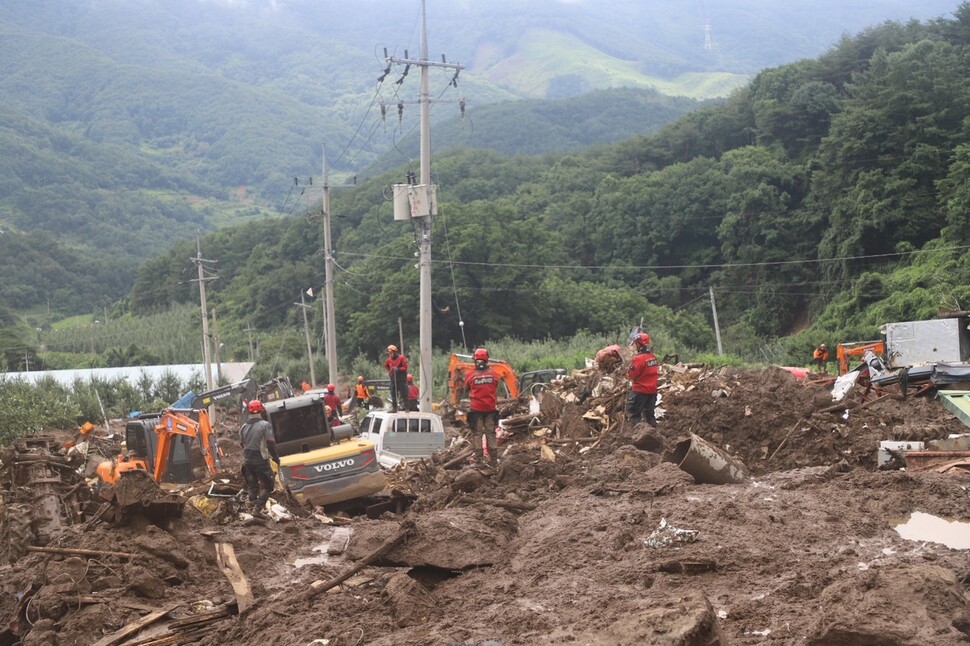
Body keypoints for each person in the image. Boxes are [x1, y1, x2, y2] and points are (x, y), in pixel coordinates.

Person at [239, 400, 280, 516]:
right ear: (261, 410)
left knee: (252, 484)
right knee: (268, 486)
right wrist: (276, 458)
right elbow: (271, 443)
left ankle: (251, 504)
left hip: (247, 461)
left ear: (249, 411)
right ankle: (257, 509)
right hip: (261, 460)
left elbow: (242, 444)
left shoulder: (243, 427)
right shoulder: (265, 425)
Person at [463, 347, 500, 466]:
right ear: (487, 360)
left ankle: (479, 460)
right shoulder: (494, 373)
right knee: (491, 433)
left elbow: (465, 388)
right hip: (490, 410)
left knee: (477, 434)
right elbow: (496, 385)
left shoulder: (470, 374)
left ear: (475, 360)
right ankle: (494, 460)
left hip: (476, 410)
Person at [626, 332, 659, 427]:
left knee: (634, 414)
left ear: (638, 344)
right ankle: (654, 435)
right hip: (652, 391)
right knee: (650, 415)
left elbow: (631, 375)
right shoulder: (652, 357)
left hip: (640, 391)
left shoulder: (639, 359)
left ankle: (637, 436)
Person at [384, 344, 409, 413]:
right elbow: (385, 365)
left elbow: (405, 367)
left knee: (404, 394)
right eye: (389, 353)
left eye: (391, 353)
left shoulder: (401, 358)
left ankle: (406, 408)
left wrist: (398, 369)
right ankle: (394, 408)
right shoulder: (389, 360)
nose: (390, 354)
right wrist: (391, 370)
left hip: (401, 379)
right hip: (393, 379)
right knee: (393, 394)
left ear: (395, 352)